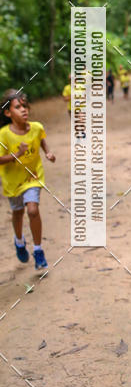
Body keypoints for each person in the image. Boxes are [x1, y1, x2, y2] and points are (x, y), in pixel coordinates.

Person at [0, 89, 55, 269]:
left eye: (25, 106)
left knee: (32, 210)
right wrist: (18, 154)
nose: (23, 109)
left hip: (33, 177)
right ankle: (19, 241)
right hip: (13, 181)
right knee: (18, 213)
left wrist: (48, 152)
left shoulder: (37, 127)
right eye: (18, 107)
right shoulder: (4, 134)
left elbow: (41, 139)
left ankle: (38, 250)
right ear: (8, 113)